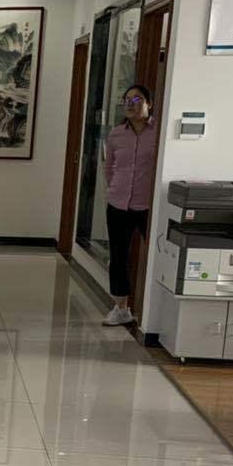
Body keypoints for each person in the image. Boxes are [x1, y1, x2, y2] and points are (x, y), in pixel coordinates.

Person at [101, 83, 158, 327]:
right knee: (118, 256)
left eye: (137, 100)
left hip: (149, 206)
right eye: (127, 100)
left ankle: (156, 308)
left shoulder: (159, 133)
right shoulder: (116, 134)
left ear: (149, 104)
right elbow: (109, 167)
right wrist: (115, 189)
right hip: (118, 204)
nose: (131, 104)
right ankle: (121, 308)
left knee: (158, 254)